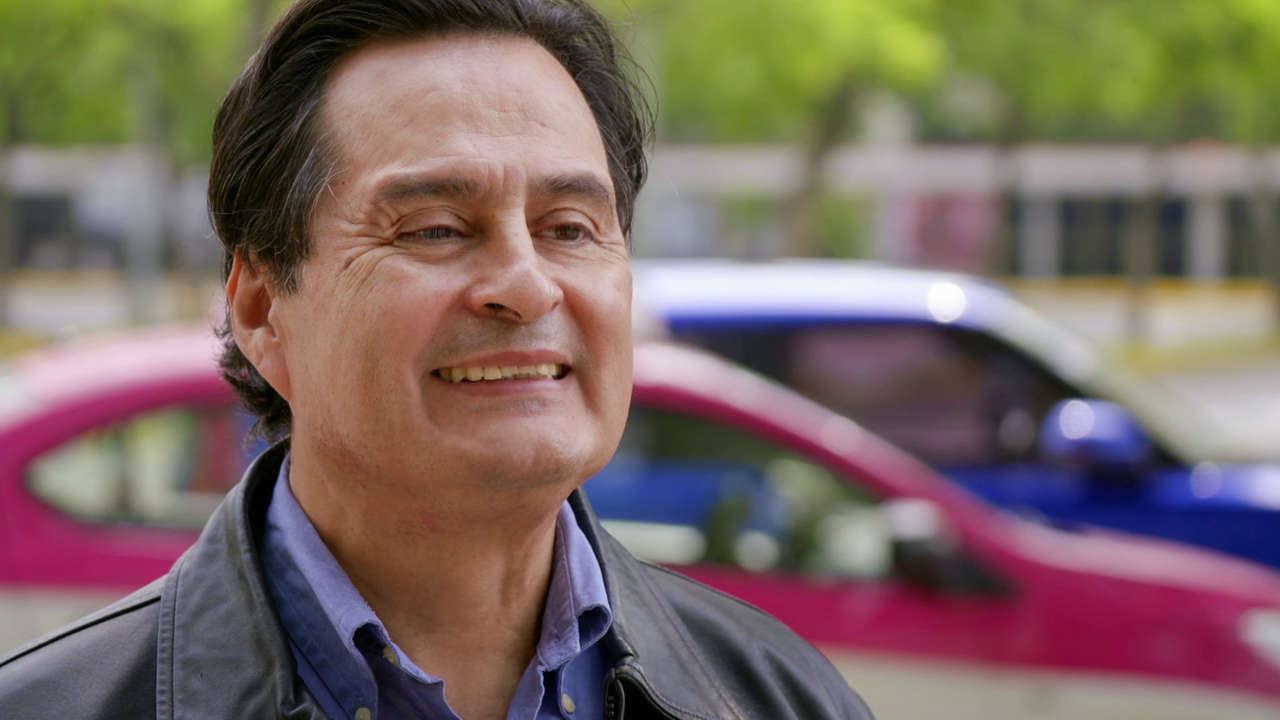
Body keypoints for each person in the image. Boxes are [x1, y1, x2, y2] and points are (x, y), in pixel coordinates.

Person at [0, 1, 874, 718]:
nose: (525, 286)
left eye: (570, 229)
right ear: (263, 309)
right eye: (436, 230)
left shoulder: (783, 698)